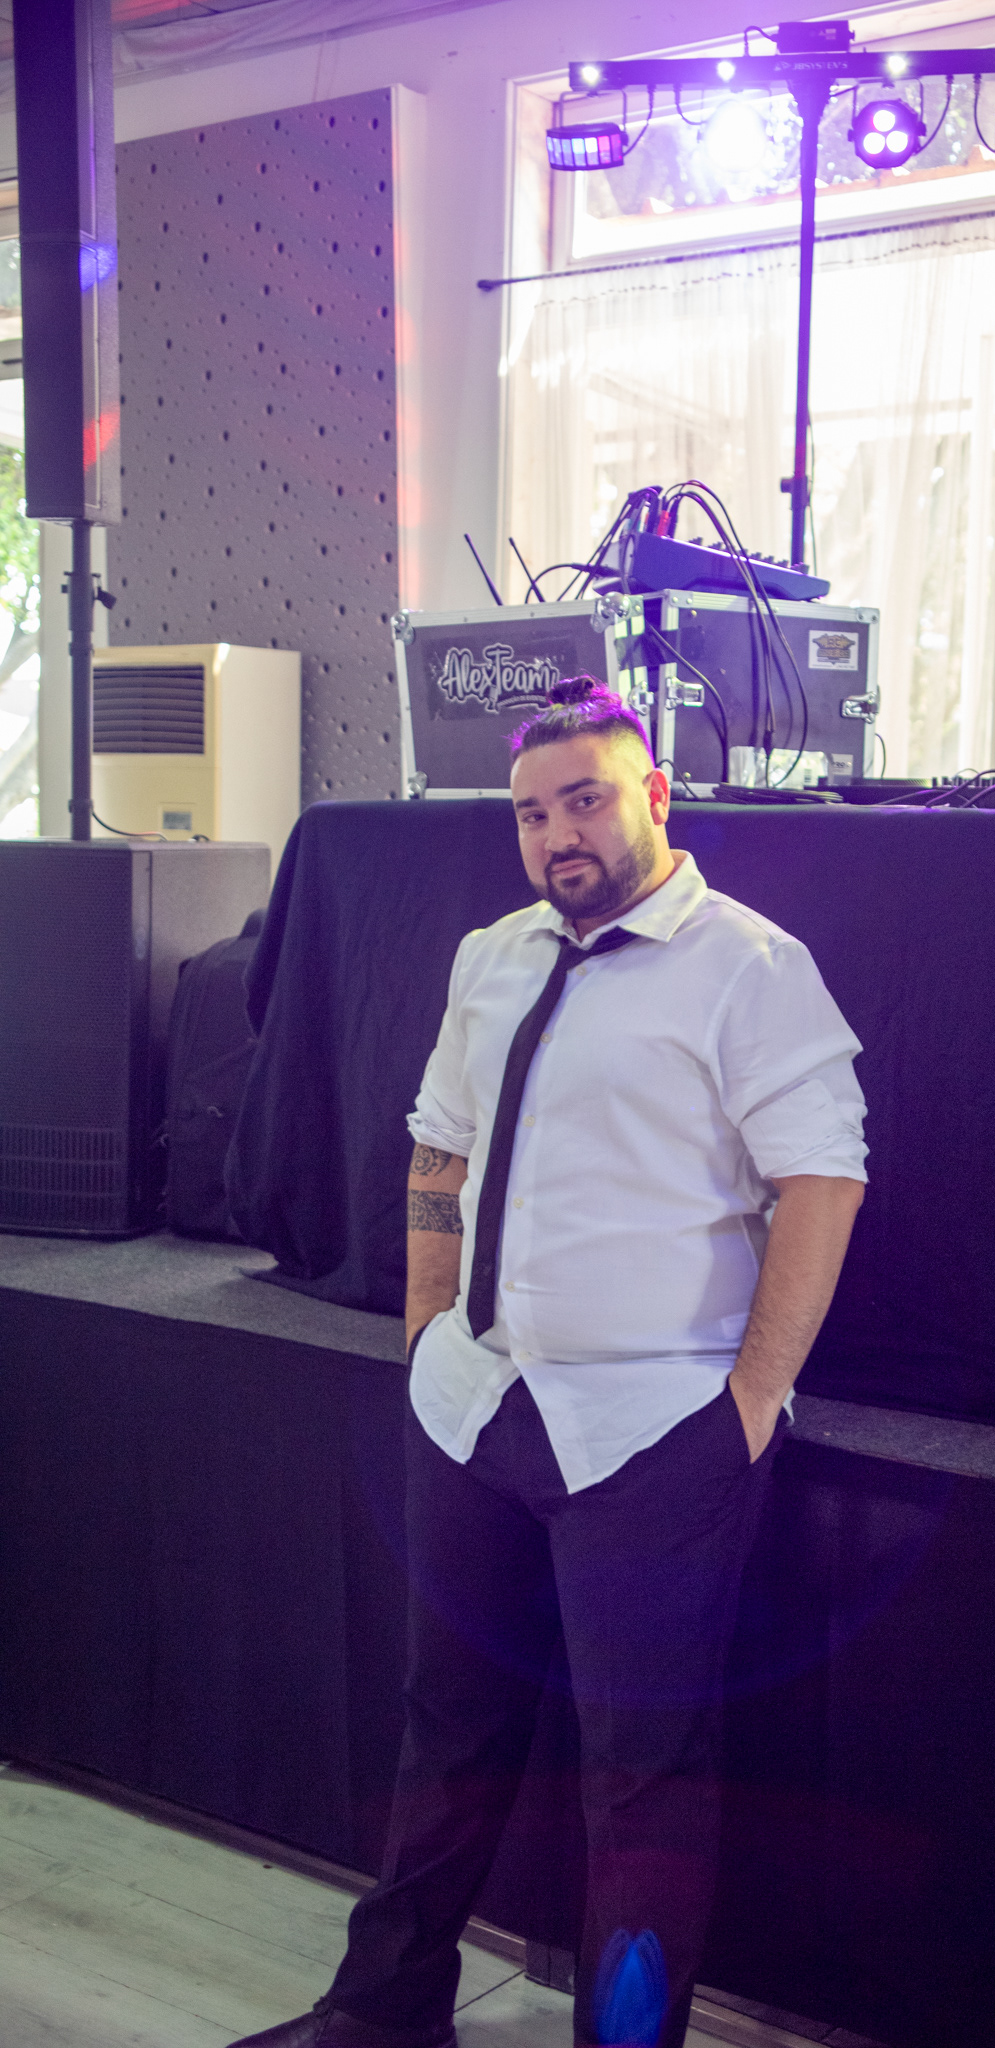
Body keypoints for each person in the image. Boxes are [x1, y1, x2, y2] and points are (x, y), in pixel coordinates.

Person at [233, 676, 867, 2048]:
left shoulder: (749, 967)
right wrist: (426, 1332)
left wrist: (750, 1403)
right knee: (446, 1726)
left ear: (655, 796)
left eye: (585, 799)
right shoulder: (494, 954)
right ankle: (383, 2011)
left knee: (643, 1776)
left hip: (654, 1431)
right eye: (531, 813)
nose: (557, 833)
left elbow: (823, 1178)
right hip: (478, 1408)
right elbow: (440, 1141)